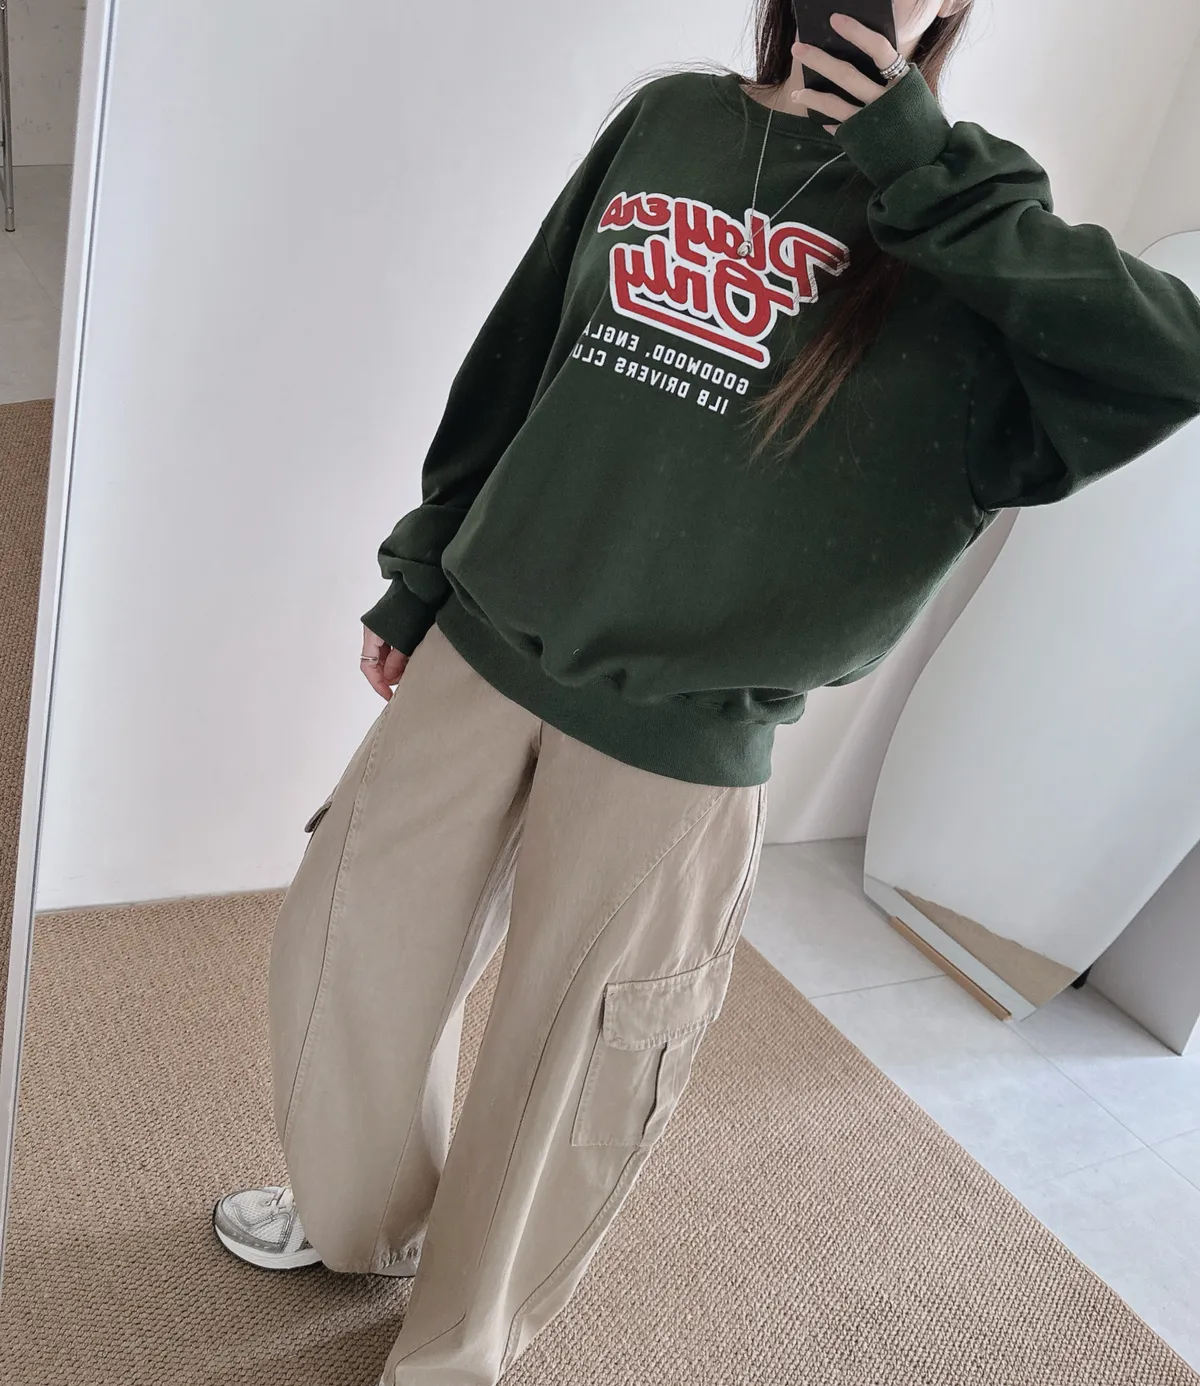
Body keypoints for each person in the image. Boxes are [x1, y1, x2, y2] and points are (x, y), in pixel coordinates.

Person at [212, 2, 1200, 1382]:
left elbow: (1169, 358)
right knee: (341, 956)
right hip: (488, 640)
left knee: (570, 1072)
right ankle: (363, 1224)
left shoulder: (974, 213)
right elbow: (526, 354)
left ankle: (451, 1353)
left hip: (682, 736)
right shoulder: (671, 119)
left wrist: (916, 162)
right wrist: (425, 563)